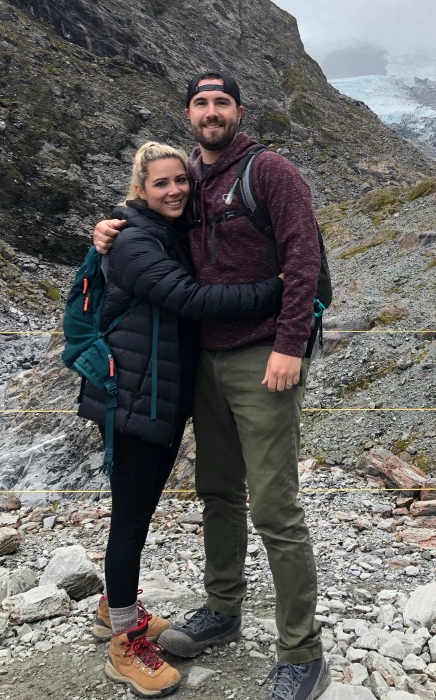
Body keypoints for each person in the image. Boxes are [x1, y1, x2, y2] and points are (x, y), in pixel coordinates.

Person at [94, 72, 329, 700]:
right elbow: (150, 226)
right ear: (189, 115)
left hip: (262, 358)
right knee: (218, 492)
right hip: (205, 361)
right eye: (200, 103)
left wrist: (289, 344)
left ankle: (302, 652)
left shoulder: (270, 171)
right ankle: (223, 609)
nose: (211, 111)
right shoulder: (189, 180)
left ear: (239, 112)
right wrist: (107, 230)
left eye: (221, 102)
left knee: (275, 507)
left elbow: (304, 259)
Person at [82, 141, 284, 699]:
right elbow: (191, 299)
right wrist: (278, 289)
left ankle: (114, 608)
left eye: (180, 181)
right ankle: (124, 646)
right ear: (139, 189)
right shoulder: (133, 240)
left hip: (158, 396)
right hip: (134, 398)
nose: (174, 191)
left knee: (138, 511)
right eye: (160, 183)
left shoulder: (158, 230)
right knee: (130, 519)